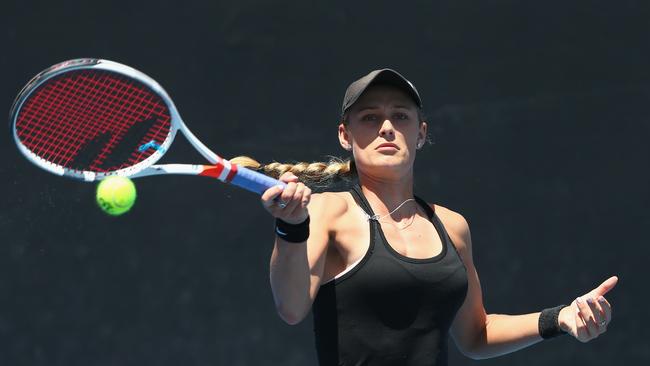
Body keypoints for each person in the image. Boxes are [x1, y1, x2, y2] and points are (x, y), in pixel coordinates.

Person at [234, 69, 618, 365]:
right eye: (369, 117)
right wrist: (290, 228)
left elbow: (476, 335)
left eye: (400, 116)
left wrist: (561, 318)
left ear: (420, 133)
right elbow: (291, 307)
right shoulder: (326, 210)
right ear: (344, 135)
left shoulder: (453, 226)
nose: (387, 127)